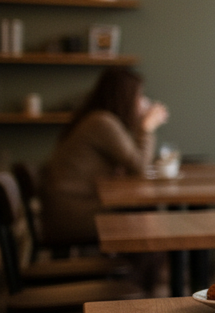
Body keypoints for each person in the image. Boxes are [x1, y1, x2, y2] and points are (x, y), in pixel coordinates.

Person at [40, 67, 169, 247]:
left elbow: (133, 167)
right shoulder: (102, 122)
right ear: (124, 98)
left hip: (69, 210)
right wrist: (146, 128)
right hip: (72, 216)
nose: (144, 102)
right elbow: (140, 167)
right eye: (139, 96)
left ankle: (136, 273)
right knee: (146, 221)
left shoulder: (99, 120)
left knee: (145, 214)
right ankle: (139, 274)